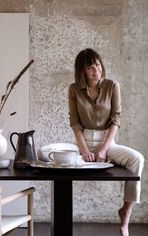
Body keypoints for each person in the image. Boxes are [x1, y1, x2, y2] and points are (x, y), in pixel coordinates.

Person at [68, 48, 144, 236]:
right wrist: (84, 151)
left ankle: (125, 214)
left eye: (98, 64)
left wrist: (104, 150)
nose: (96, 69)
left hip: (107, 142)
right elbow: (75, 122)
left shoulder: (112, 86)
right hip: (83, 142)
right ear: (82, 71)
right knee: (52, 156)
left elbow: (115, 120)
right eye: (90, 67)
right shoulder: (74, 89)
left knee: (138, 159)